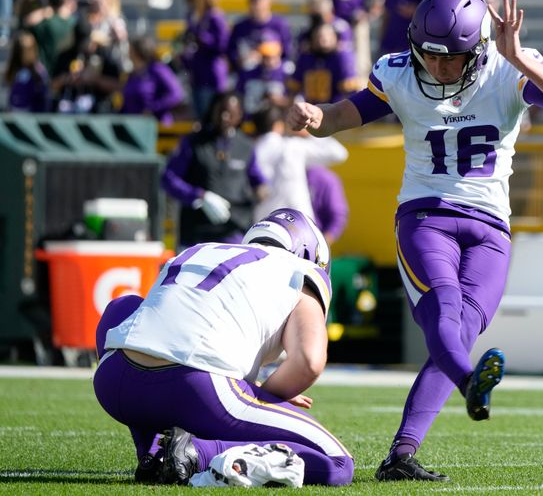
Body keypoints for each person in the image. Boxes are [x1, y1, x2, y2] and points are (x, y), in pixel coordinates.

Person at [287, 0, 543, 481]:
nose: (440, 67)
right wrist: (319, 118)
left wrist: (519, 58)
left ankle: (401, 456)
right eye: (430, 54)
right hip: (425, 216)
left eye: (452, 58)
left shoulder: (505, 68)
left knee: (459, 330)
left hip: (491, 227)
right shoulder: (400, 74)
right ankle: (471, 383)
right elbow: (350, 112)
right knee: (445, 315)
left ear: (478, 49)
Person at [93, 208, 354, 487]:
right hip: (196, 390)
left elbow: (122, 313)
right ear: (310, 254)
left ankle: (154, 451)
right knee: (339, 464)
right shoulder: (301, 270)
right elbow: (309, 361)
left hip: (115, 384)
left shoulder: (195, 251)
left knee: (126, 305)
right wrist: (263, 395)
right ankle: (198, 454)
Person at [161, 91, 268, 248]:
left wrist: (262, 192)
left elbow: (257, 180)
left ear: (239, 115)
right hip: (195, 231)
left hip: (233, 229)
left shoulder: (245, 146)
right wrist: (198, 196)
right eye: (221, 112)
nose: (224, 118)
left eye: (230, 113)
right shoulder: (194, 142)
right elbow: (168, 179)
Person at [251, 103, 348, 221]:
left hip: (262, 222)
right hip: (298, 222)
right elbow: (339, 153)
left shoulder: (249, 150)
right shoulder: (292, 146)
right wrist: (308, 133)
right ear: (278, 125)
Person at [181, 0, 230, 119]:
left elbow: (223, 46)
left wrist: (202, 39)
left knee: (212, 117)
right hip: (196, 76)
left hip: (212, 76)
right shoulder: (193, 17)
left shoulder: (215, 17)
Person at [121, 36, 184, 124]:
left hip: (156, 125)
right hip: (133, 126)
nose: (128, 53)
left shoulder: (157, 69)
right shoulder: (132, 75)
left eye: (131, 50)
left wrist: (154, 109)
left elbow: (176, 94)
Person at [4, 30, 49, 112]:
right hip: (14, 114)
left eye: (29, 50)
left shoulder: (39, 71)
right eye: (24, 51)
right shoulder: (15, 70)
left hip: (32, 116)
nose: (27, 54)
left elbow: (43, 97)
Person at [307, 165, 349, 245]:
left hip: (313, 242)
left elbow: (338, 216)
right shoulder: (283, 175)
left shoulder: (325, 179)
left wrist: (321, 246)